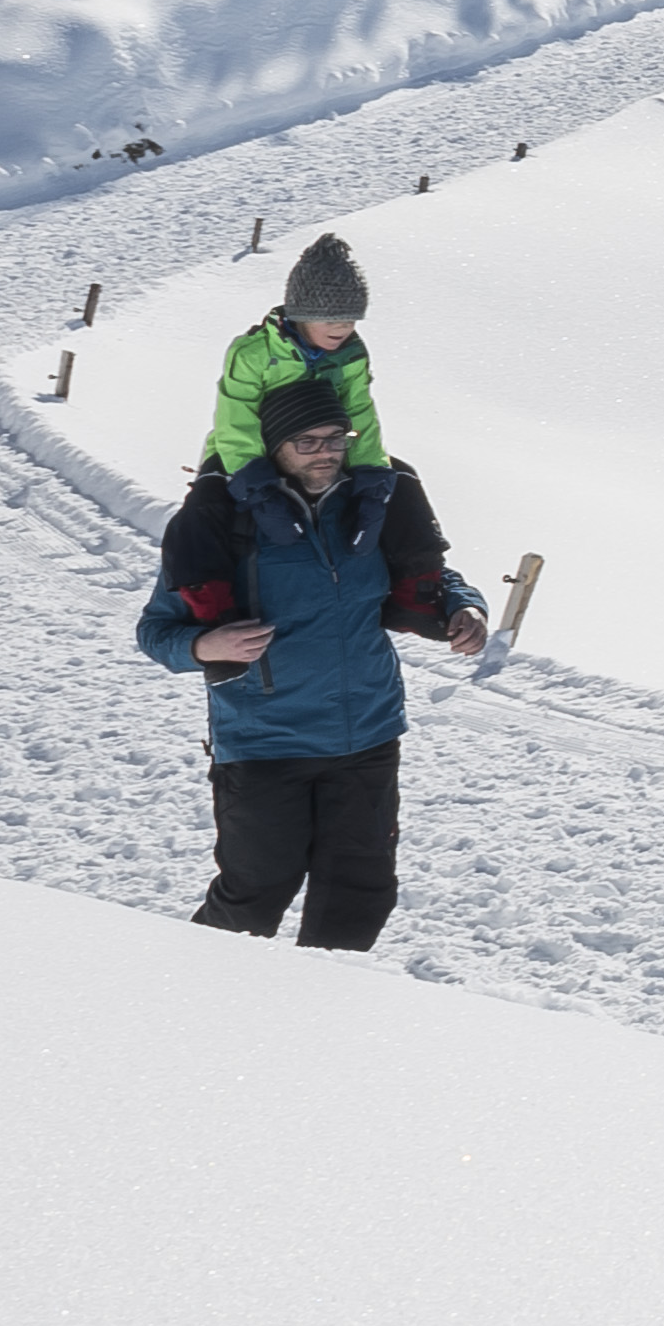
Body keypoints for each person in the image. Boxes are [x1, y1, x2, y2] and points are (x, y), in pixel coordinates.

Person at [138, 369, 491, 945]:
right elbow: (156, 631)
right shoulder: (225, 521)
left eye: (336, 438)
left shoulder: (370, 506)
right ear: (274, 449)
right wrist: (204, 647)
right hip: (265, 741)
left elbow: (428, 573)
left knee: (362, 894)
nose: (326, 453)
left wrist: (461, 605)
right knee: (254, 897)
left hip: (368, 735)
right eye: (308, 442)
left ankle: (323, 1020)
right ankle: (198, 1009)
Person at [206, 232, 391, 474]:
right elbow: (236, 419)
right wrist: (250, 474)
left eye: (351, 320)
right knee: (209, 504)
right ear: (301, 317)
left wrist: (368, 469)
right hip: (244, 459)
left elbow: (358, 412)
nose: (343, 328)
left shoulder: (351, 354)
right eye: (329, 320)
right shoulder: (254, 353)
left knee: (403, 482)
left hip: (322, 457)